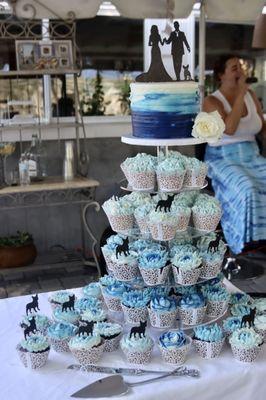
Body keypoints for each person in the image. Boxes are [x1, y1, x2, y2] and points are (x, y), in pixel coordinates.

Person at [203, 54, 266, 255]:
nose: (240, 71)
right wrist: (240, 93)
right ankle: (247, 244)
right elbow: (229, 128)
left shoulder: (251, 96)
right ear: (221, 75)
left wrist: (245, 93)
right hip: (223, 158)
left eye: (241, 66)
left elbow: (262, 127)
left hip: (252, 155)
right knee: (247, 188)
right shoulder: (211, 101)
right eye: (234, 68)